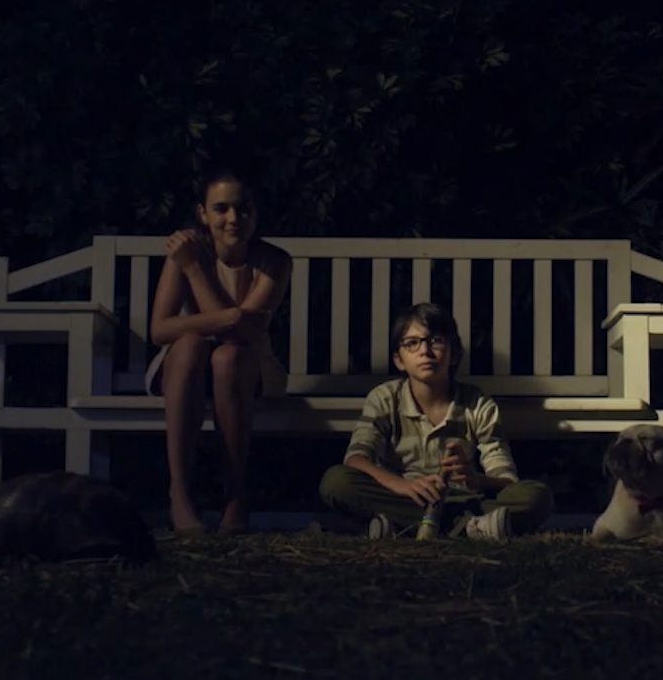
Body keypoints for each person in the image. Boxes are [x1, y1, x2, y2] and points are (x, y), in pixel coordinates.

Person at [318, 302, 552, 540]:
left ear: (454, 354)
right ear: (399, 360)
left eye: (436, 341)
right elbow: (355, 459)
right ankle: (469, 528)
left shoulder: (476, 403)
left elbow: (506, 479)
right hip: (401, 496)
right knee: (336, 482)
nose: (425, 351)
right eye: (412, 343)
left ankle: (402, 526)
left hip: (462, 499)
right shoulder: (385, 398)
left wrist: (474, 478)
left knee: (536, 495)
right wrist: (401, 485)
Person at [147, 168, 291, 535]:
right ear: (202, 213)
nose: (232, 218)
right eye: (221, 208)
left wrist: (195, 271)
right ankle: (179, 493)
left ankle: (235, 496)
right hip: (186, 365)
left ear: (255, 213)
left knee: (227, 357)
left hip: (249, 365)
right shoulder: (185, 254)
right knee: (190, 345)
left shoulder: (273, 261)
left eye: (242, 209)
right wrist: (230, 315)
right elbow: (160, 330)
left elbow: (240, 338)